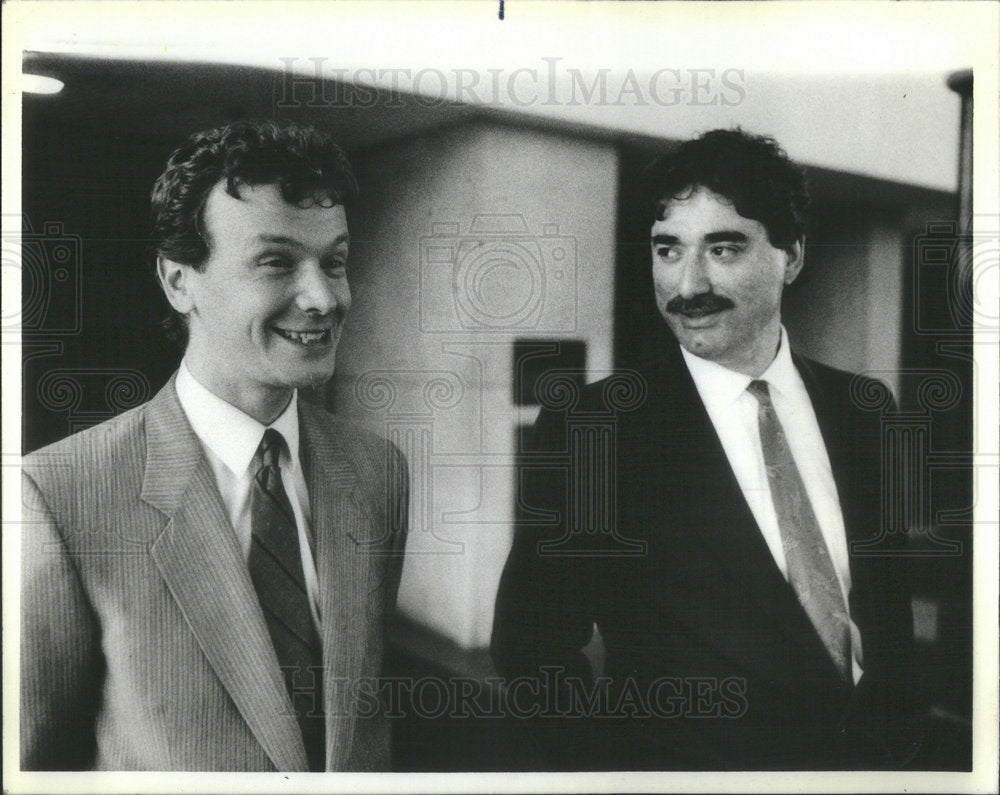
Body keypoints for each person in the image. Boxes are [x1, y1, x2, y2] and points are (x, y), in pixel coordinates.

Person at [491, 128, 923, 770]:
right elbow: (532, 653)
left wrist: (902, 753)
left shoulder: (866, 410)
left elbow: (888, 618)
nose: (688, 284)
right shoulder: (593, 430)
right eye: (668, 250)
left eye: (723, 248)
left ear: (793, 257)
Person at [21, 120, 408, 772]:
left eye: (334, 261)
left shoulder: (377, 471)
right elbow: (34, 765)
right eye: (277, 261)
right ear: (178, 281)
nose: (323, 297)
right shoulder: (60, 493)